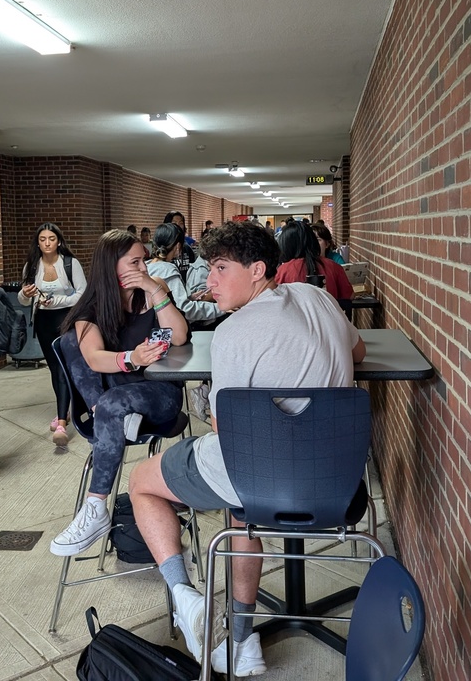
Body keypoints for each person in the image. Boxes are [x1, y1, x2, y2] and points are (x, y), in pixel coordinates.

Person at [129, 221, 364, 675]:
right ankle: (241, 638)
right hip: (339, 480)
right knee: (243, 506)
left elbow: (226, 429)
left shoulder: (234, 332)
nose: (209, 282)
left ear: (257, 270)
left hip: (263, 478)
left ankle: (185, 601)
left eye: (219, 268)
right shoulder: (319, 298)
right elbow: (358, 356)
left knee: (142, 482)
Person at [50, 229, 189, 557]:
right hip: (116, 392)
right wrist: (131, 358)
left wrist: (154, 289)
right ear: (113, 266)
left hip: (159, 393)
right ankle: (108, 416)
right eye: (136, 261)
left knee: (113, 403)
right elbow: (93, 358)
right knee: (73, 341)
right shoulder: (94, 306)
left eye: (145, 259)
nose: (145, 266)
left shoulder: (153, 289)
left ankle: (96, 503)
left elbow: (179, 337)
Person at [17, 223, 86, 447]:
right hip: (44, 321)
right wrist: (25, 294)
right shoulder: (32, 265)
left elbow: (82, 293)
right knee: (55, 368)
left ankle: (62, 422)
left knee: (65, 367)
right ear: (38, 242)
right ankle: (64, 410)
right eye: (43, 239)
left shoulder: (70, 263)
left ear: (59, 241)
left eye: (52, 239)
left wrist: (59, 301)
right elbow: (24, 299)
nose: (47, 243)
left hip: (65, 319)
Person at [147, 223, 225, 330]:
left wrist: (189, 298)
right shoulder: (168, 269)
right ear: (178, 246)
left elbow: (168, 301)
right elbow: (184, 309)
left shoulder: (147, 266)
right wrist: (222, 308)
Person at [275, 220, 353, 302]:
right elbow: (349, 296)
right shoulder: (333, 266)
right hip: (328, 314)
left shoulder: (283, 271)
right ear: (312, 241)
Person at [163, 211, 197, 280]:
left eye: (181, 223)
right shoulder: (163, 248)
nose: (178, 226)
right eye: (174, 223)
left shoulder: (187, 248)